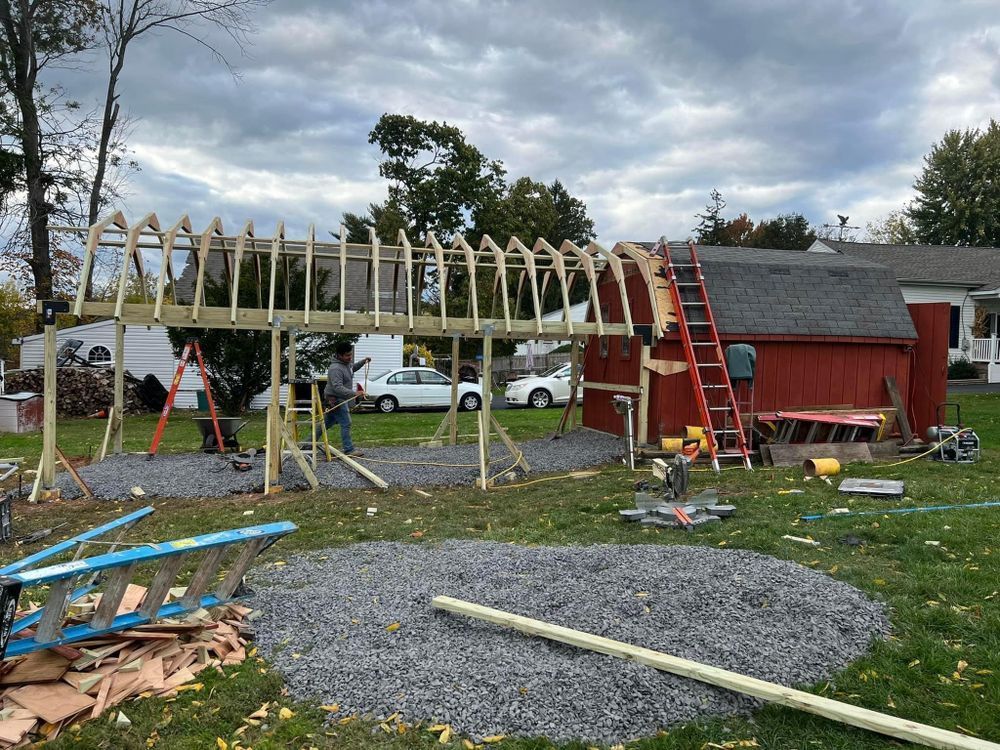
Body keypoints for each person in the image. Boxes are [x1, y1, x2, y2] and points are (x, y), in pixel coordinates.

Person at [319, 342, 371, 456]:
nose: (350, 357)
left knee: (326, 423)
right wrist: (355, 393)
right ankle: (349, 450)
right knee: (346, 423)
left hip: (338, 397)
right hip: (334, 399)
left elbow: (352, 368)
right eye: (347, 355)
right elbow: (338, 388)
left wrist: (363, 362)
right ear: (339, 355)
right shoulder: (335, 369)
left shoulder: (346, 364)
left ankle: (307, 444)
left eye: (350, 355)